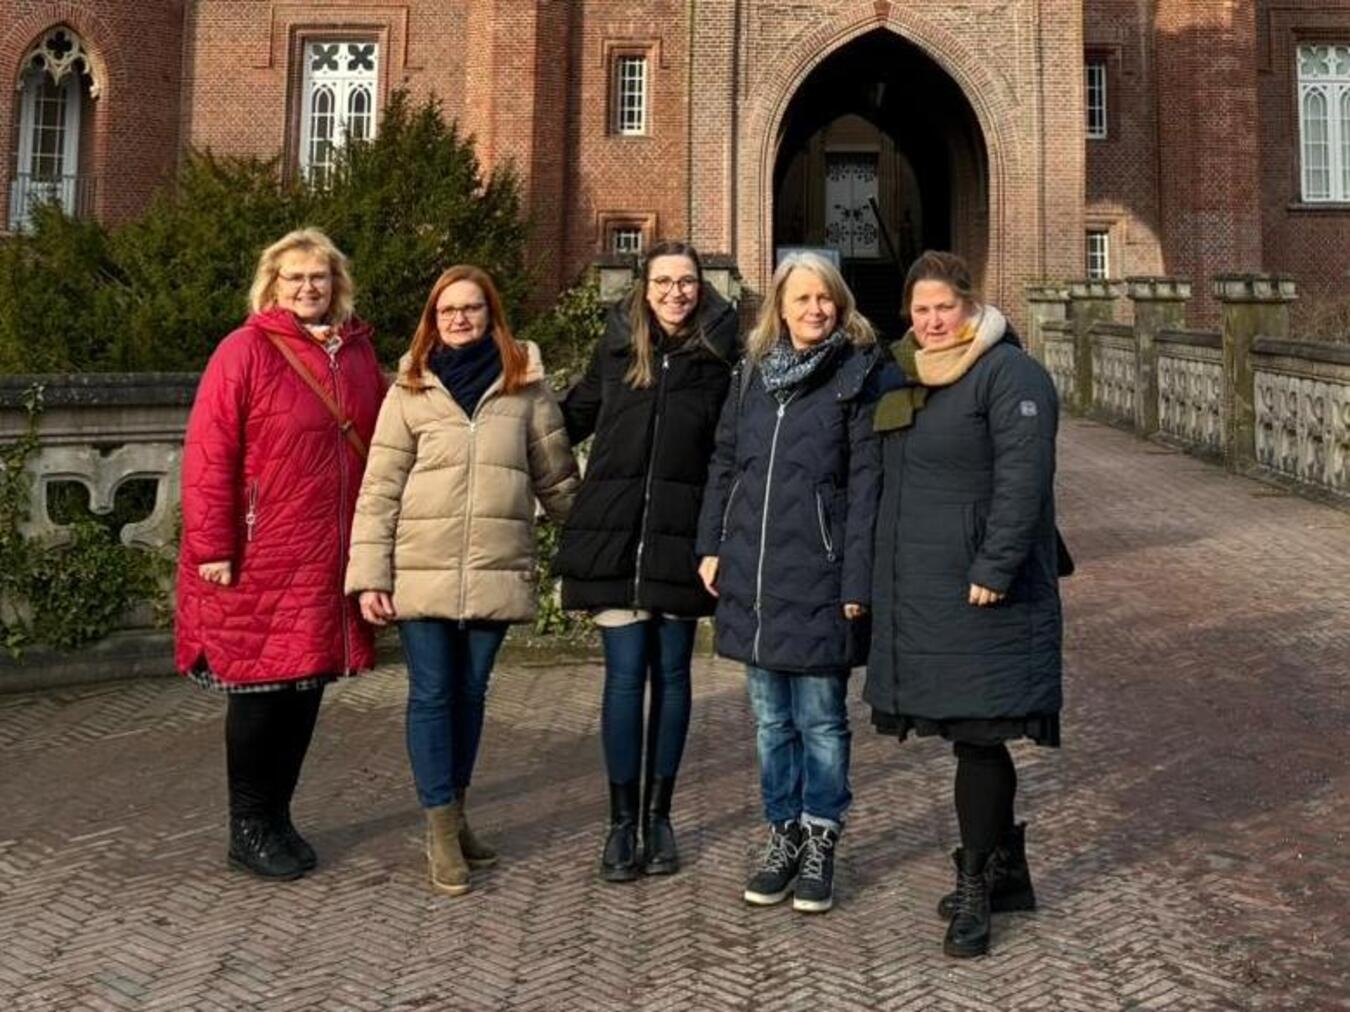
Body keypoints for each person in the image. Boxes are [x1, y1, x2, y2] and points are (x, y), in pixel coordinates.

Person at [345, 265, 579, 897]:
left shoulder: (525, 386)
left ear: (491, 315)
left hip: (494, 568)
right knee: (431, 695)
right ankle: (440, 830)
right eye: (447, 310)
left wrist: (596, 550)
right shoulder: (409, 389)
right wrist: (369, 575)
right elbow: (379, 488)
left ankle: (458, 812)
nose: (459, 319)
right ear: (432, 319)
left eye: (471, 308)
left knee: (471, 695)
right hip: (420, 568)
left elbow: (557, 479)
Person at [863, 250, 1064, 958]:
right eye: (920, 310)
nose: (932, 321)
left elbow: (1024, 477)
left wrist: (996, 565)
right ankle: (1007, 873)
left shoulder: (1009, 373)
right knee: (967, 732)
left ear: (971, 306)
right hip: (926, 588)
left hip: (983, 590)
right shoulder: (905, 374)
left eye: (943, 307)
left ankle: (978, 883)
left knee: (980, 735)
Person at [177, 227, 386, 881]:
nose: (307, 287)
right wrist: (213, 545)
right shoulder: (244, 351)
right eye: (293, 277)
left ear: (337, 283)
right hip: (259, 550)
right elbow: (209, 452)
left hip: (329, 554)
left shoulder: (357, 354)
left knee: (305, 688)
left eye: (318, 276)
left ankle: (278, 816)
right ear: (271, 285)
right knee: (260, 693)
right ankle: (248, 826)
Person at [695, 251, 882, 914]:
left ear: (840, 304)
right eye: (801, 298)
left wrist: (858, 578)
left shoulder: (858, 376)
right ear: (779, 306)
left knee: (821, 720)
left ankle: (821, 834)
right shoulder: (751, 374)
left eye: (824, 297)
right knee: (771, 720)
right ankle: (783, 834)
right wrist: (711, 543)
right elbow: (725, 463)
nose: (814, 309)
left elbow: (867, 486)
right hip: (755, 570)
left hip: (822, 572)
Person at [554, 241, 740, 881]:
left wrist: (722, 535)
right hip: (615, 536)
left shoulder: (721, 358)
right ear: (644, 286)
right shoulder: (614, 349)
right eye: (663, 281)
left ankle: (659, 818)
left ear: (701, 288)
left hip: (682, 538)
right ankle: (620, 823)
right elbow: (566, 421)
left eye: (686, 282)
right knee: (625, 677)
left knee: (674, 677)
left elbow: (732, 452)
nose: (674, 293)